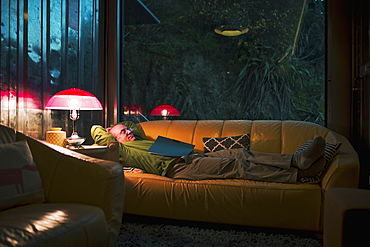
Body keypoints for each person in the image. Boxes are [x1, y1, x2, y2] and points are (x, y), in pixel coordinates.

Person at [93, 124, 326, 184]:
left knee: (239, 152)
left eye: (129, 130)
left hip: (190, 156)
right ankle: (299, 176)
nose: (130, 132)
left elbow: (128, 122)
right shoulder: (121, 151)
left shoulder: (138, 138)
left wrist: (121, 128)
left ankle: (296, 161)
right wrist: (110, 130)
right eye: (124, 132)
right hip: (178, 169)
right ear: (114, 139)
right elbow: (97, 132)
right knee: (236, 166)